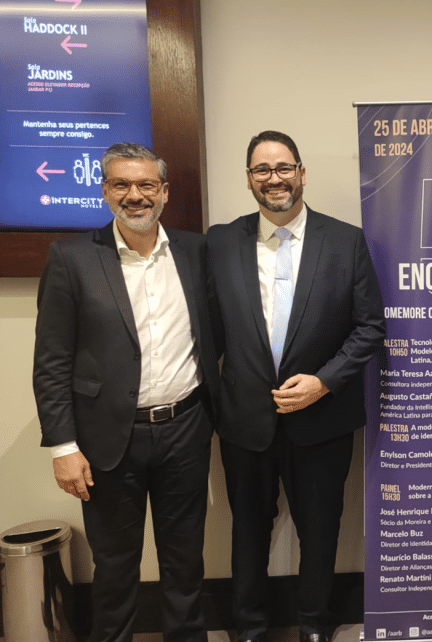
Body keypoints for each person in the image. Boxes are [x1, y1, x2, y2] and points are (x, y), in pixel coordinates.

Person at [33, 142, 220, 642]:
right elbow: (51, 360)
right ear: (104, 190)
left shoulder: (196, 251)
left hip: (185, 429)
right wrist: (63, 447)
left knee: (186, 561)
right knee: (115, 569)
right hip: (107, 439)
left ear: (164, 191)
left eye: (146, 185)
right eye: (121, 184)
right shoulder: (72, 257)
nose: (135, 195)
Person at [207, 130, 385, 642]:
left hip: (322, 419)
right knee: (247, 533)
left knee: (321, 531)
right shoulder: (221, 242)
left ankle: (313, 625)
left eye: (284, 167)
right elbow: (206, 329)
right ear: (249, 180)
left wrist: (324, 382)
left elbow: (370, 326)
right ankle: (250, 628)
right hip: (246, 420)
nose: (274, 179)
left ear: (302, 173)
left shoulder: (345, 240)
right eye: (262, 170)